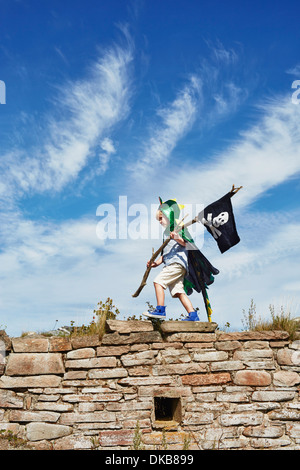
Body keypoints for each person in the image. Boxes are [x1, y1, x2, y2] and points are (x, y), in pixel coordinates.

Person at [142, 198, 200, 321]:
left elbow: (187, 244)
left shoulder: (179, 228)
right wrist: (155, 263)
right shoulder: (166, 234)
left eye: (161, 218)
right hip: (173, 264)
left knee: (158, 282)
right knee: (178, 292)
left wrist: (178, 238)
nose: (159, 222)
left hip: (176, 264)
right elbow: (166, 254)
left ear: (168, 215)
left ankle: (160, 310)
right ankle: (193, 315)